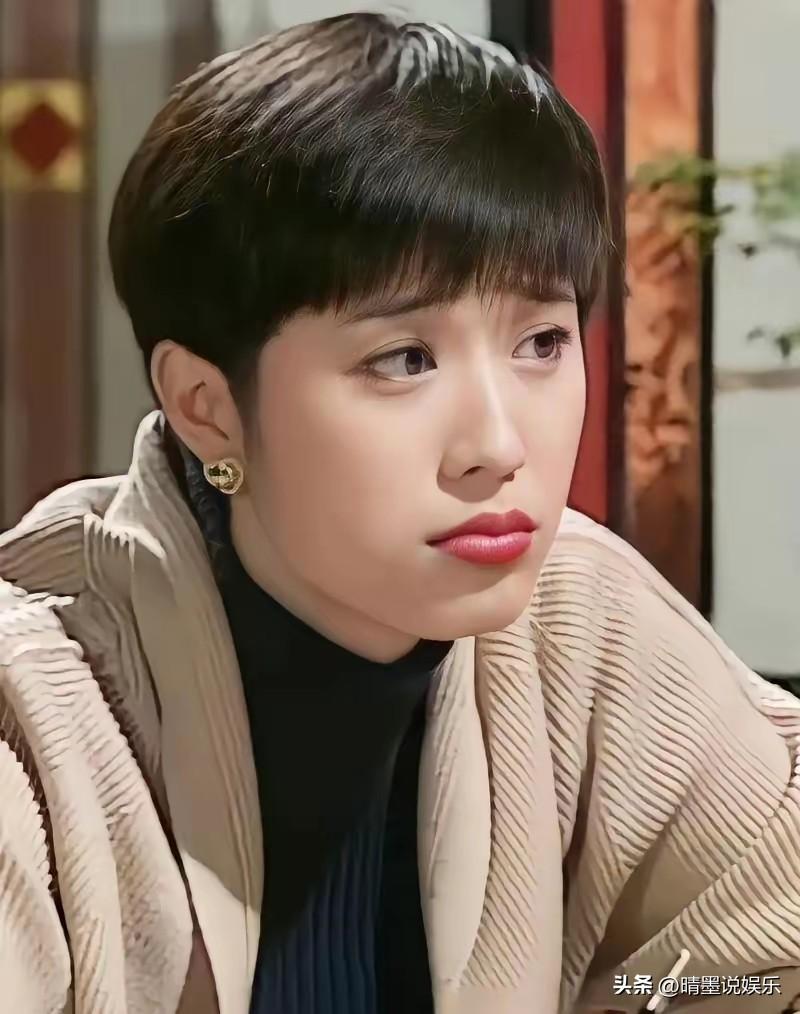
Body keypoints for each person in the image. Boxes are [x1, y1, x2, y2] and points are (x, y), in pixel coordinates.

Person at [1, 12, 799, 1014]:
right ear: (207, 407)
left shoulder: (581, 624)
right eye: (403, 360)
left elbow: (762, 952)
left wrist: (629, 998)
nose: (498, 444)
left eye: (542, 343)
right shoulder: (38, 703)